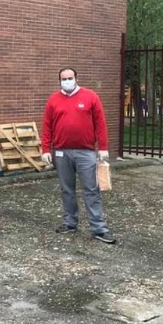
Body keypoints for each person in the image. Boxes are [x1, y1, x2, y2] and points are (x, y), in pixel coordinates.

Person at [40, 68, 116, 244]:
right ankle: (70, 222)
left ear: (76, 78)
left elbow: (100, 123)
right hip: (61, 152)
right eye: (63, 78)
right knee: (67, 190)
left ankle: (99, 228)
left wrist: (103, 147)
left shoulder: (91, 97)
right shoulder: (53, 100)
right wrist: (45, 150)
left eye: (70, 78)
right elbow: (47, 126)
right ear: (59, 80)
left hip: (86, 152)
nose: (67, 81)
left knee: (91, 189)